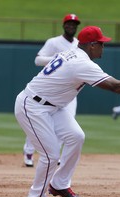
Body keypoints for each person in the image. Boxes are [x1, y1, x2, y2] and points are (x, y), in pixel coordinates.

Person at [14, 25, 120, 197]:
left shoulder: (72, 53)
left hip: (53, 106)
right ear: (92, 45)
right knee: (51, 154)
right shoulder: (82, 63)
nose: (103, 47)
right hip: (33, 106)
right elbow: (115, 86)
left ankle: (60, 184)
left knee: (76, 136)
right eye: (101, 44)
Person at [23, 13, 81, 167]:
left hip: (69, 91)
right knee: (38, 120)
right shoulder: (54, 42)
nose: (71, 26)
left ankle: (56, 153)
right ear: (63, 25)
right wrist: (58, 58)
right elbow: (38, 59)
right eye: (68, 23)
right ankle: (28, 152)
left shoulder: (78, 43)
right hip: (51, 89)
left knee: (69, 121)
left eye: (74, 24)